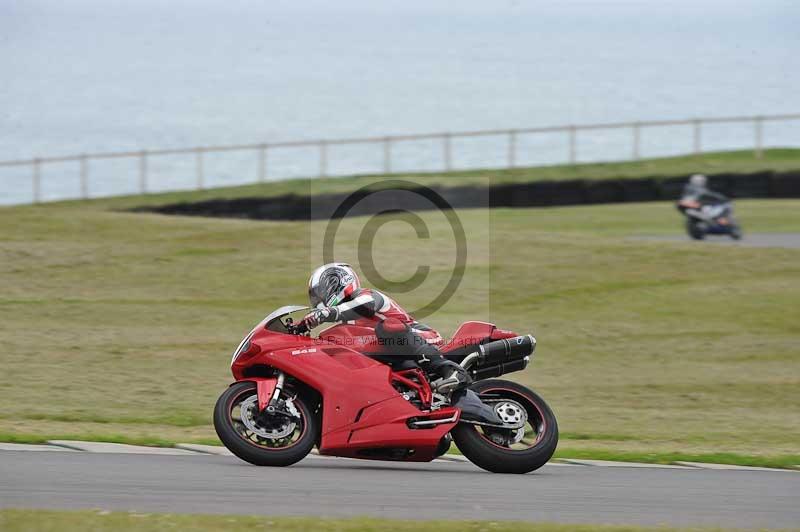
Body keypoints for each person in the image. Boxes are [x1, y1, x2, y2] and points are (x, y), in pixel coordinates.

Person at [301, 263, 502, 424]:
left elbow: (359, 307)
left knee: (388, 327)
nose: (320, 299)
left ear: (338, 281)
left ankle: (448, 370)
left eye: (322, 292)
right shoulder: (347, 323)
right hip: (395, 356)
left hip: (421, 338)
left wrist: (325, 313)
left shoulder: (366, 296)